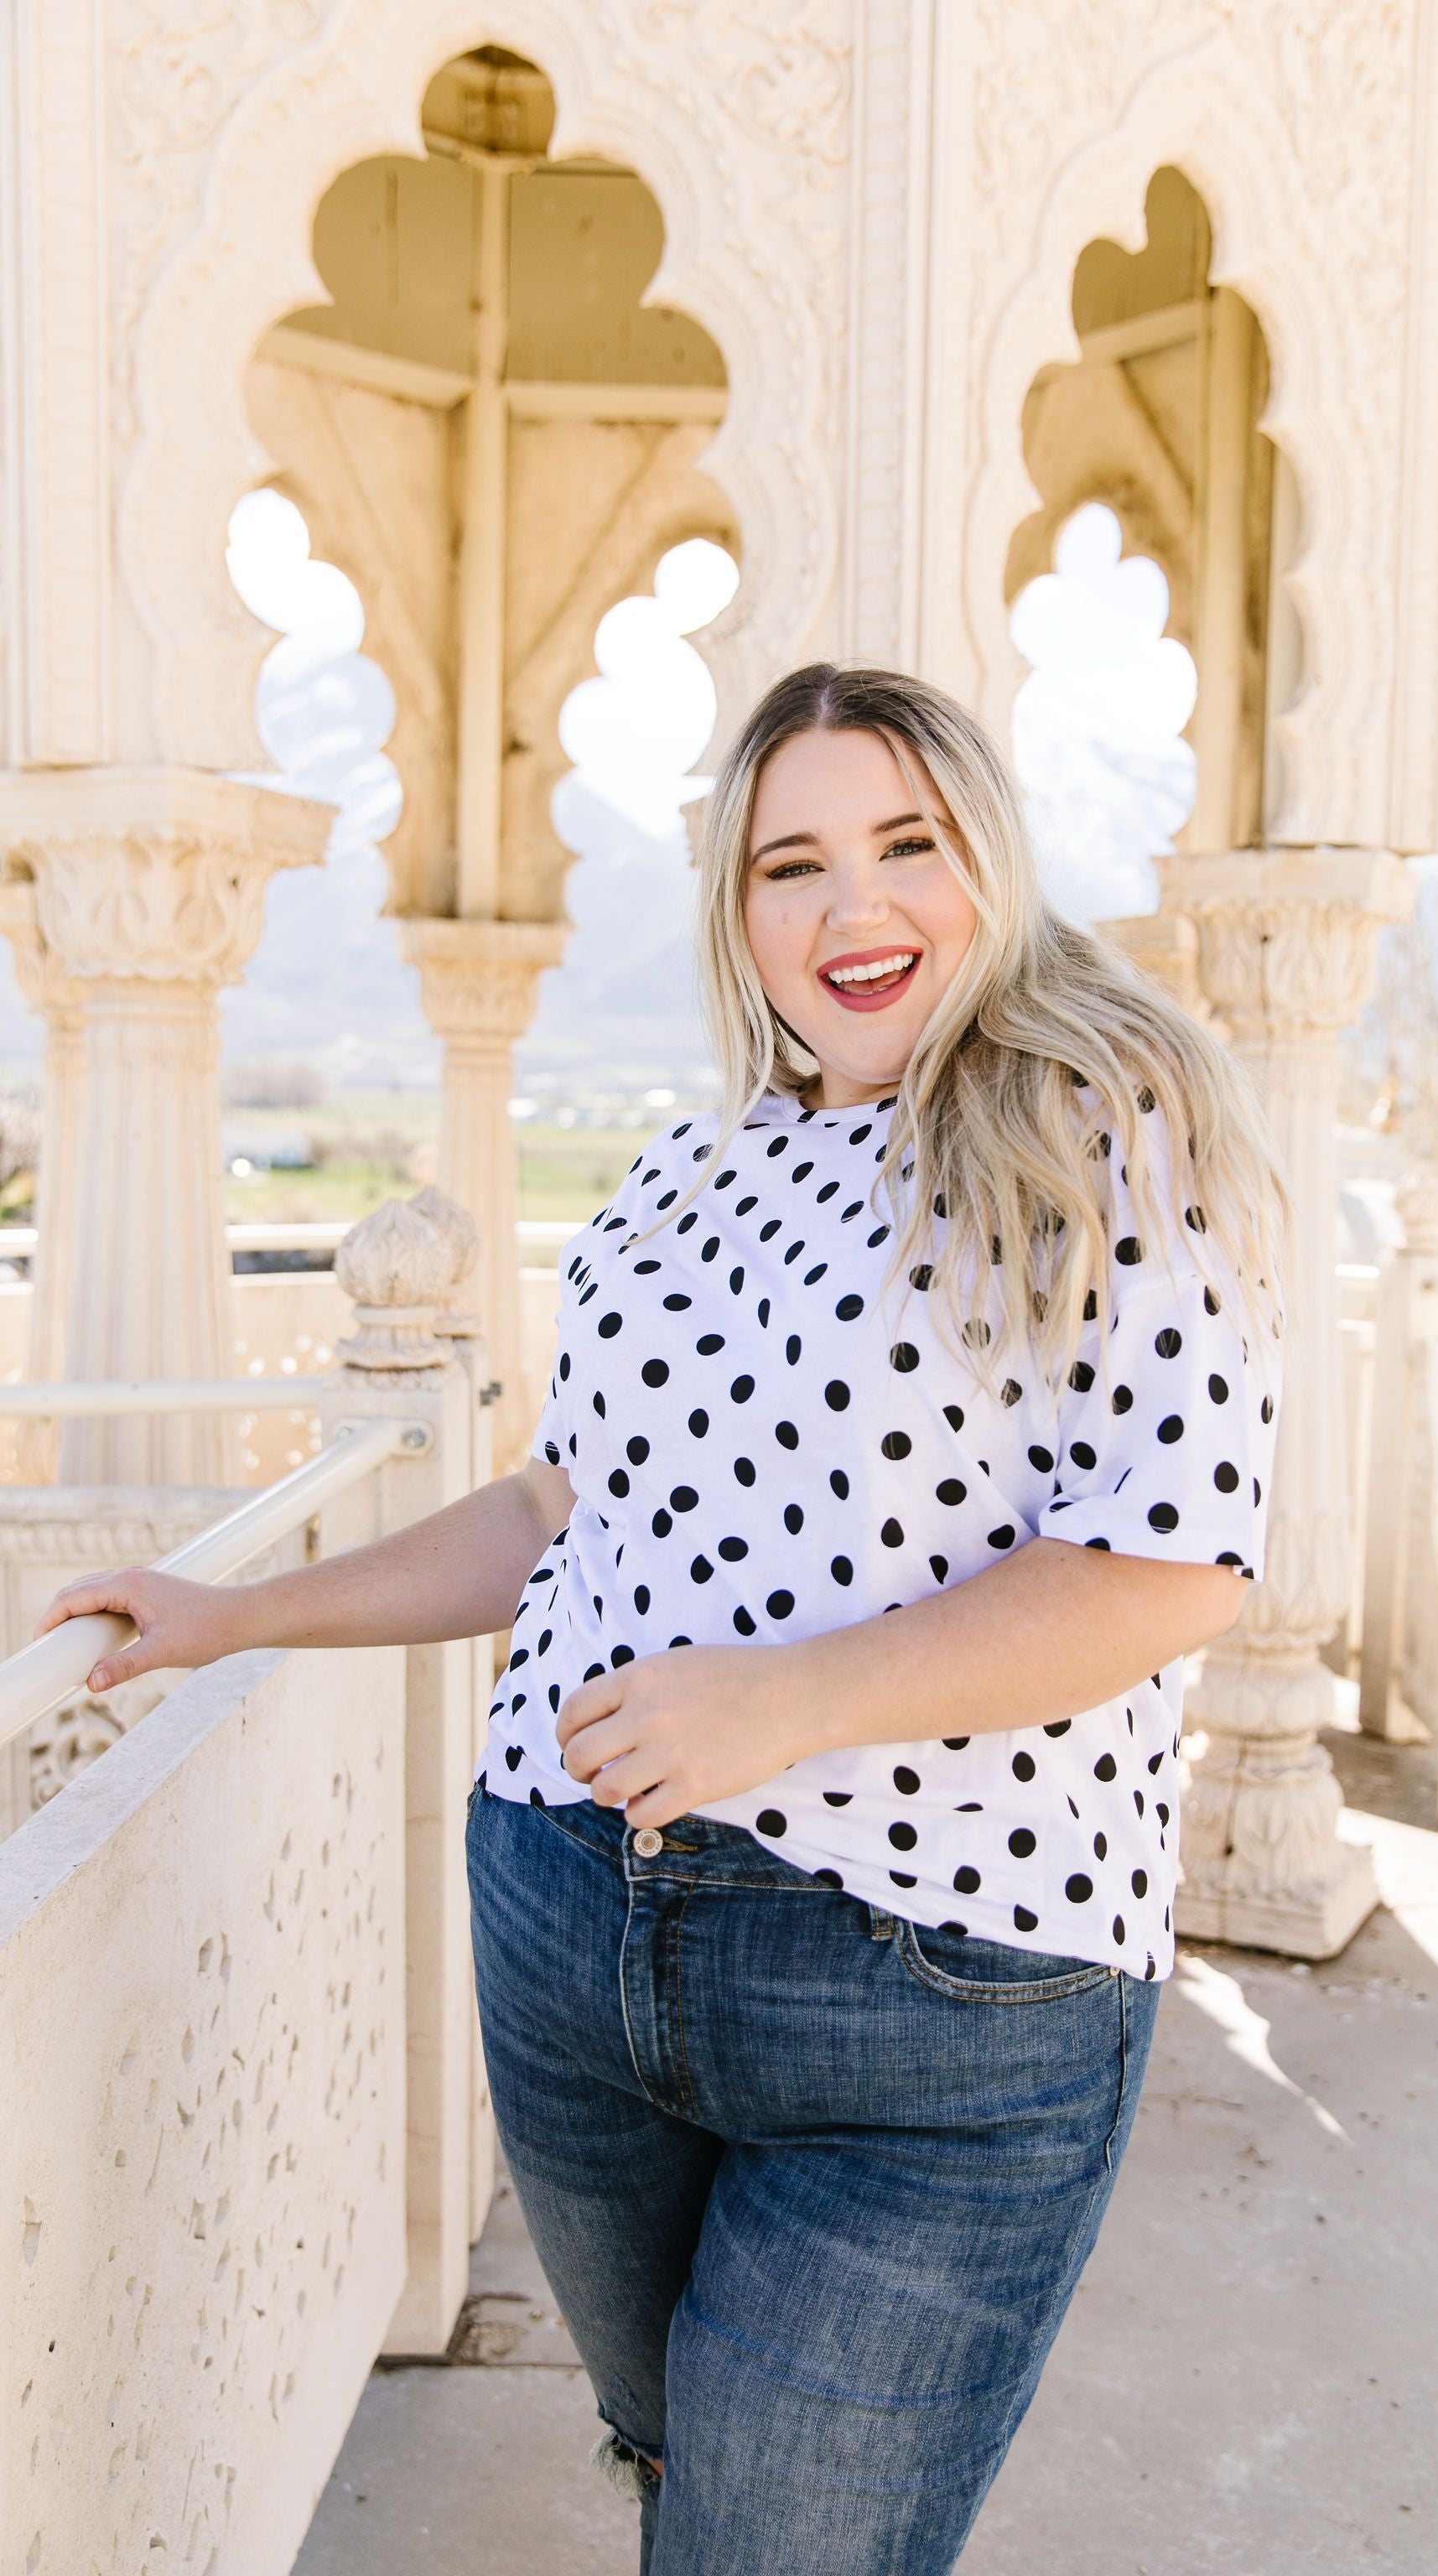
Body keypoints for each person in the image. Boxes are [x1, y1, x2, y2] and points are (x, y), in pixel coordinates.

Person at [39, 664, 1286, 2574]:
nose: (852, 910)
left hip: (933, 2001)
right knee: (673, 2465)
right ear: (737, 916)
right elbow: (562, 1505)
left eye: (905, 847)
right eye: (790, 865)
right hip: (568, 1932)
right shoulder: (685, 1173)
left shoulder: (1108, 1124)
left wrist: (786, 1702)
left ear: (990, 863)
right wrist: (237, 1610)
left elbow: (1175, 1552)